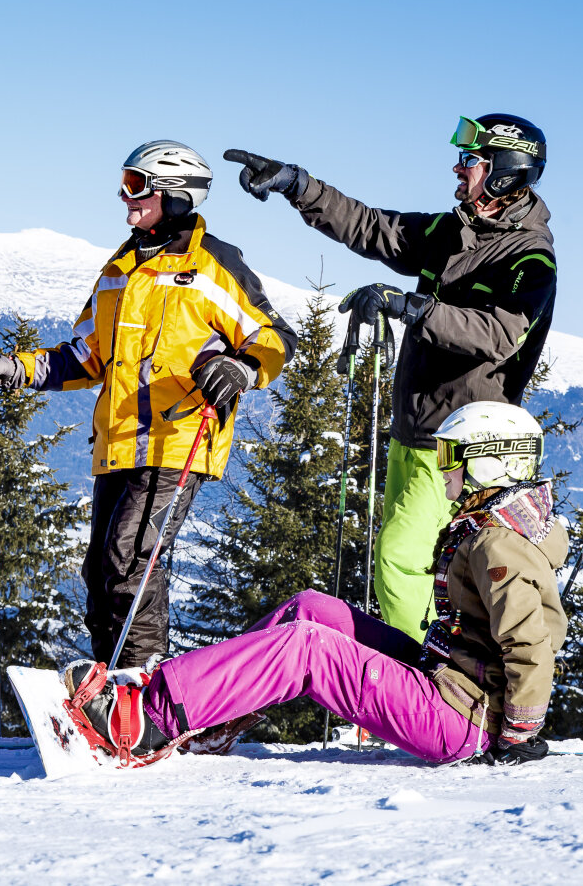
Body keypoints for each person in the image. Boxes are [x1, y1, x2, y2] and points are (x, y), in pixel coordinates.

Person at [59, 402, 568, 767]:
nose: (442, 469)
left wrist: (517, 734)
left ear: (489, 459)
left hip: (463, 720)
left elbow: (530, 642)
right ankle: (205, 721)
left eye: (451, 456)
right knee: (310, 609)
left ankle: (145, 723)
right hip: (448, 683)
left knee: (308, 650)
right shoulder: (493, 528)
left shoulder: (498, 543)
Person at [224, 115, 556, 641]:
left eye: (470, 160)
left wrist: (416, 308)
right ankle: (425, 673)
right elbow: (374, 227)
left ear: (504, 173)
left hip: (463, 442)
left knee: (402, 559)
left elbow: (499, 333)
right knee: (412, 564)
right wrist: (297, 184)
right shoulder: (454, 232)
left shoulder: (529, 258)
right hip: (417, 427)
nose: (457, 167)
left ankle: (416, 688)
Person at [0, 141, 296, 668]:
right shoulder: (120, 268)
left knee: (132, 561)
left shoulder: (212, 264)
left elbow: (274, 336)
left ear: (177, 195)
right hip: (117, 442)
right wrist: (16, 369)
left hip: (177, 438)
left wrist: (242, 367)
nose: (125, 197)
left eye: (137, 186)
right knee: (99, 570)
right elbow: (86, 355)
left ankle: (139, 690)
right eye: (125, 183)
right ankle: (105, 688)